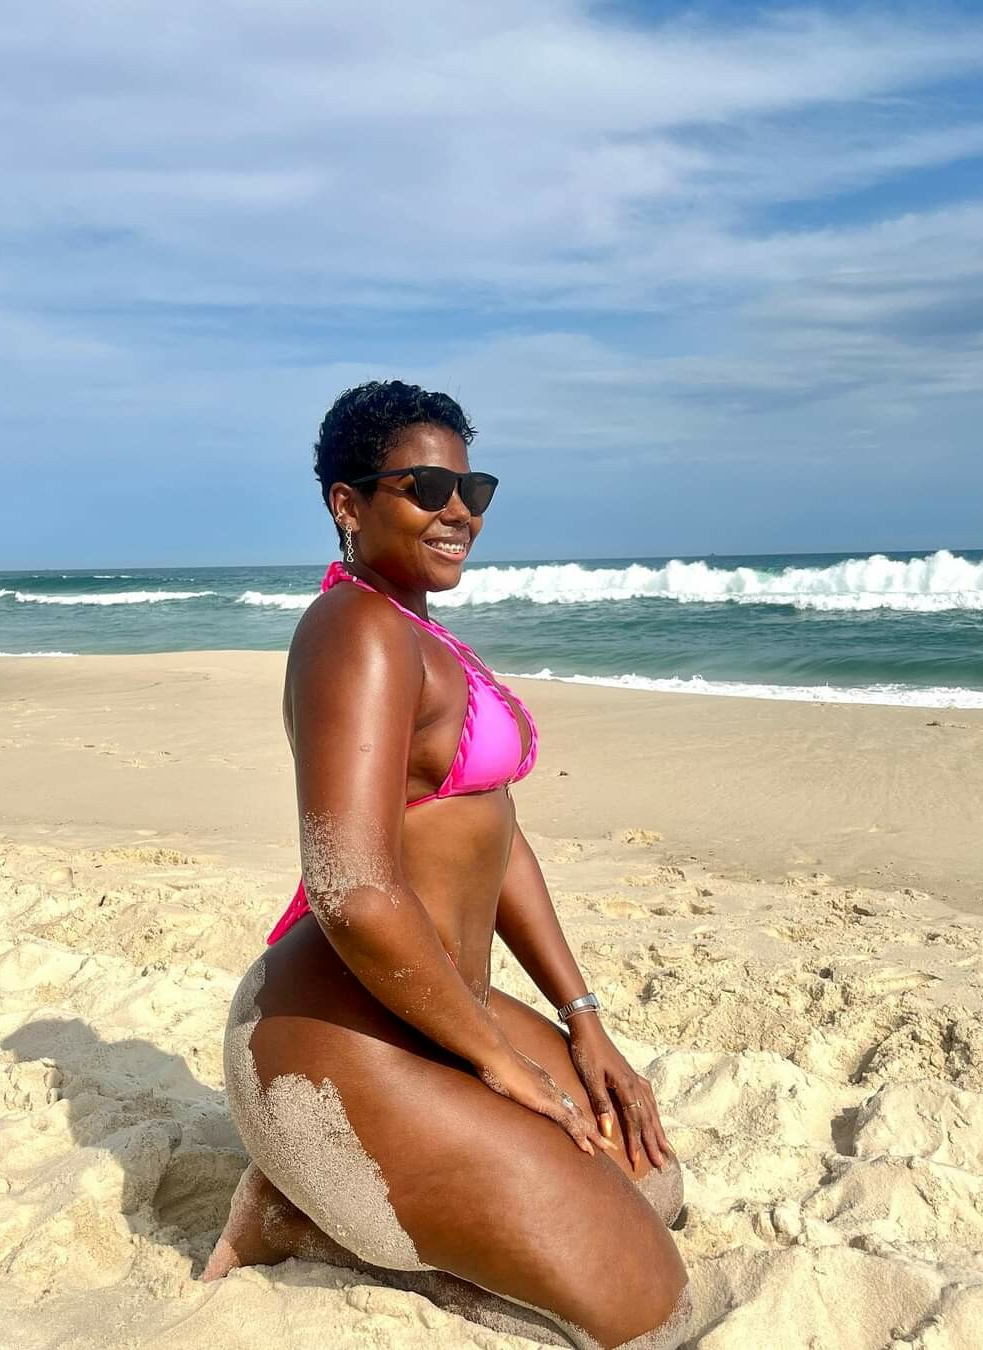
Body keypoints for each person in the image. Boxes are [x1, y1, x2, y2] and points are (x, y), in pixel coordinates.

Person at [202, 381, 692, 1349]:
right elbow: (350, 888)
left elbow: (496, 835)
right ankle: (303, 1218)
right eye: (426, 488)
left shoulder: (421, 635)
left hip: (438, 1010)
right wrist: (499, 1061)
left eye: (475, 489)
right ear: (348, 503)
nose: (459, 510)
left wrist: (582, 1019)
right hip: (339, 1040)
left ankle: (317, 1210)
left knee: (655, 1185)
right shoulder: (354, 632)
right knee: (649, 1310)